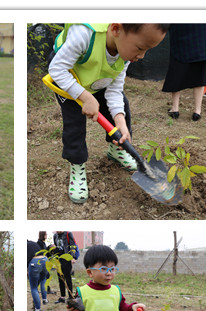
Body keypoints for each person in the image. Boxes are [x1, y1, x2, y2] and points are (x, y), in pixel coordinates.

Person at [48, 23, 168, 204]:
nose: (141, 56)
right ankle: (77, 166)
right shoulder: (84, 34)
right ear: (116, 29)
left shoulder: (126, 52)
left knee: (122, 109)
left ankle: (116, 149)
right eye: (140, 48)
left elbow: (114, 89)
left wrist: (120, 120)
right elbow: (57, 69)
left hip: (96, 79)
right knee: (75, 126)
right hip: (68, 79)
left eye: (147, 50)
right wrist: (84, 96)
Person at [162, 23, 206, 122]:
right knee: (199, 71)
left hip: (181, 27)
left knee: (176, 68)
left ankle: (175, 109)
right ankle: (197, 111)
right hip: (201, 28)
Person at [53, 231, 79, 304]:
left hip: (66, 258)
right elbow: (56, 246)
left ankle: (70, 296)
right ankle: (62, 297)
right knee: (60, 277)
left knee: (68, 277)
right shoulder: (55, 235)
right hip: (58, 259)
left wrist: (72, 257)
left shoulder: (68, 234)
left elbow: (72, 245)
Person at [27, 239, 49, 311]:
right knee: (43, 279)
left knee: (33, 287)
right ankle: (44, 299)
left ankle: (38, 309)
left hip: (35, 263)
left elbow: (27, 259)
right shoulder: (33, 243)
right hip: (45, 260)